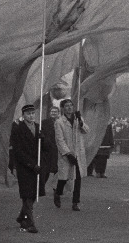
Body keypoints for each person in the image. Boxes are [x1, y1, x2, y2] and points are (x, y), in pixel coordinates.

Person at [8, 104, 47, 233]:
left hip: (38, 165)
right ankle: (30, 223)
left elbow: (47, 147)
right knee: (27, 195)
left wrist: (42, 139)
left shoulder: (38, 127)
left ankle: (22, 217)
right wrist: (31, 164)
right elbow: (18, 151)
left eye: (33, 113)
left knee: (34, 194)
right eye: (28, 114)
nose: (31, 116)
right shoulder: (18, 129)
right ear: (23, 115)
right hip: (25, 167)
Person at [54, 99, 89, 211]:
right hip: (66, 154)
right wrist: (68, 153)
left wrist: (80, 121)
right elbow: (60, 140)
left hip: (78, 153)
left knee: (77, 178)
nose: (69, 108)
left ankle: (75, 202)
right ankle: (58, 193)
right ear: (62, 108)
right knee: (64, 178)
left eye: (71, 105)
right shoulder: (59, 122)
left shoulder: (78, 119)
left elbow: (86, 130)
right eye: (66, 106)